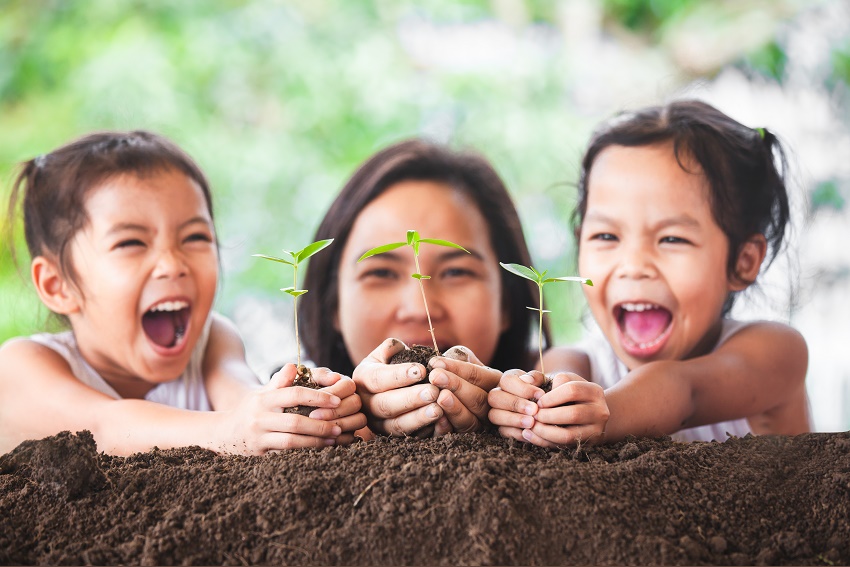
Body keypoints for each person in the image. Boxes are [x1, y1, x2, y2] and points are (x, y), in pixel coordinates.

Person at [0, 130, 365, 456]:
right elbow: (102, 427)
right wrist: (233, 429)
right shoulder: (23, 366)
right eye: (131, 242)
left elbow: (241, 398)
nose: (172, 264)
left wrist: (303, 409)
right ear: (57, 285)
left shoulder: (212, 340)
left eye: (195, 237)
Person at [489, 99, 811, 447]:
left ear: (743, 261)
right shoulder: (582, 361)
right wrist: (540, 406)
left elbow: (683, 391)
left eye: (672, 238)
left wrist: (600, 413)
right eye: (606, 236)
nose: (633, 266)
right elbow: (558, 374)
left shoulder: (776, 353)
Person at [299, 139, 546, 437]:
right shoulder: (287, 411)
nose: (418, 309)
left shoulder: (558, 395)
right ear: (333, 305)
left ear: (507, 302)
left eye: (456, 271)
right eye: (381, 272)